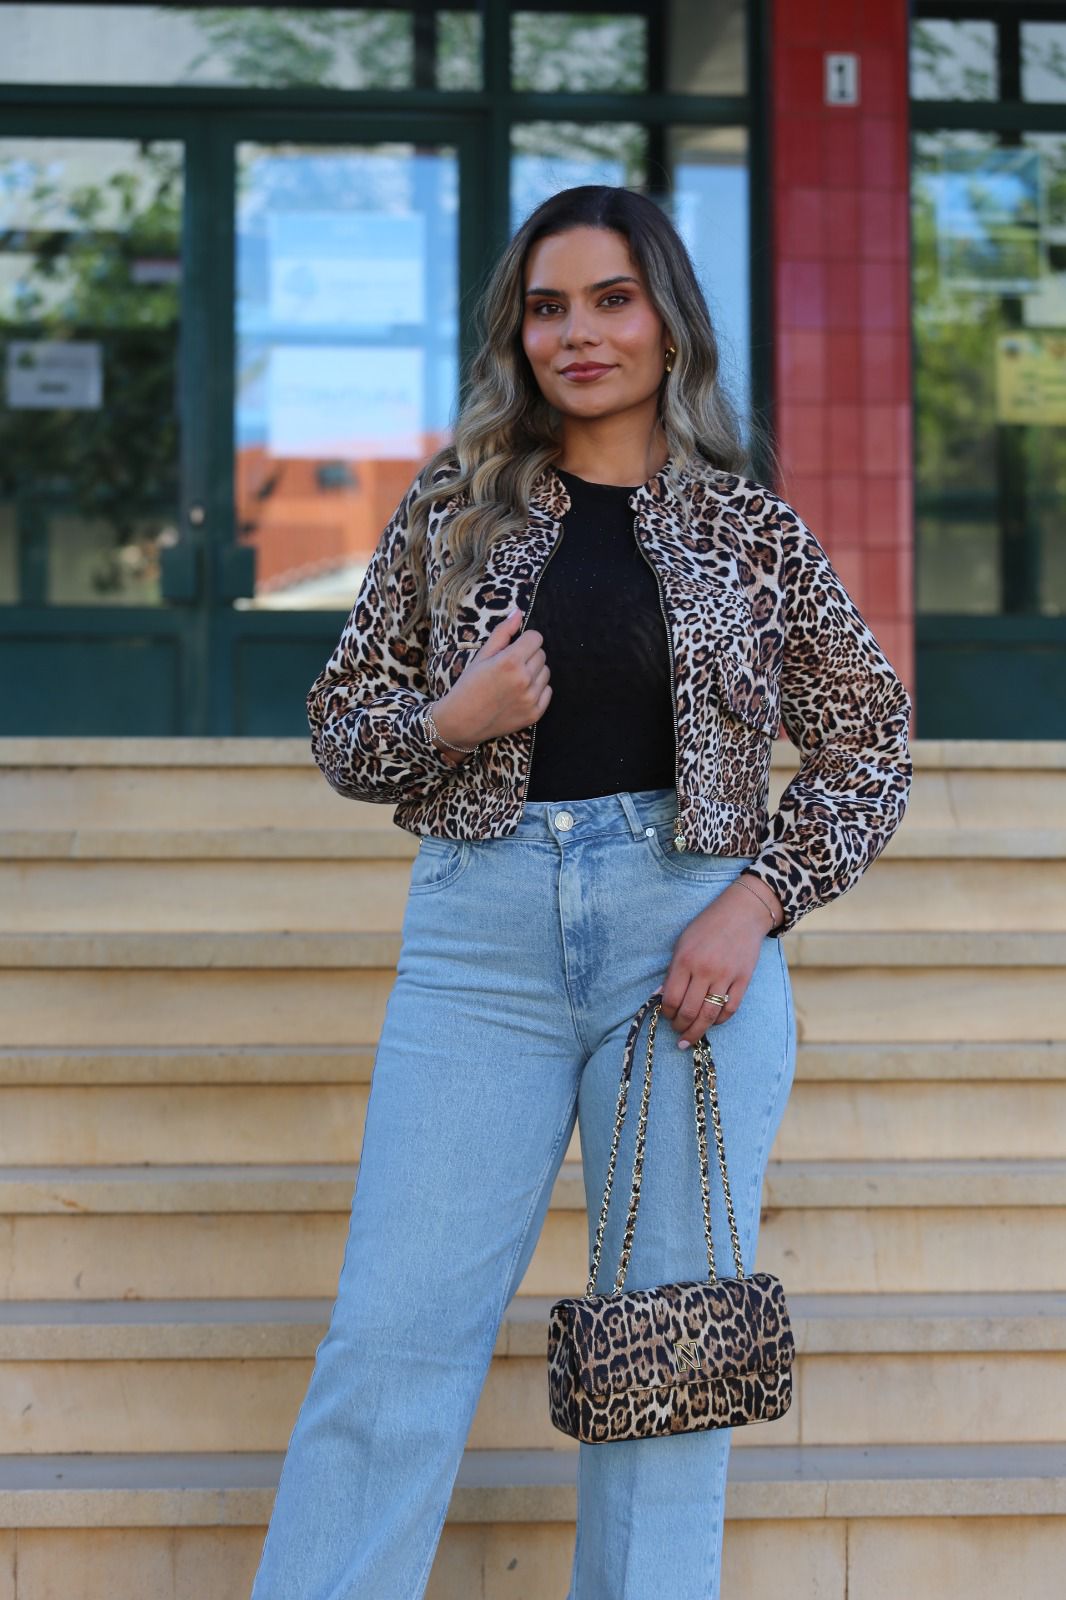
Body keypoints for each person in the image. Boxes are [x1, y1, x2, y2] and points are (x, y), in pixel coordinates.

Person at [249, 184, 912, 1600]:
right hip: (478, 945)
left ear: (670, 323)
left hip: (686, 948)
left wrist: (755, 901)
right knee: (392, 1337)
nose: (579, 334)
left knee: (663, 1359)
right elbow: (343, 727)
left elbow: (871, 746)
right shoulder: (453, 508)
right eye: (548, 307)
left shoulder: (752, 530)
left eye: (612, 300)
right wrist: (452, 722)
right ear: (518, 334)